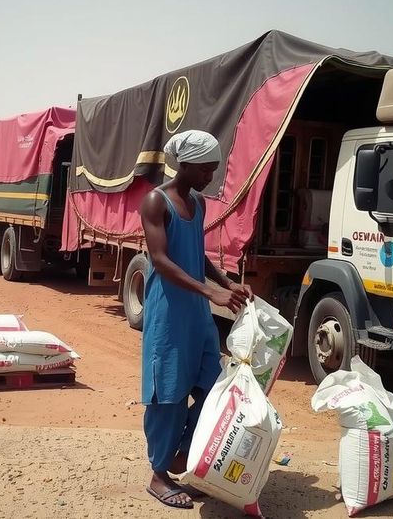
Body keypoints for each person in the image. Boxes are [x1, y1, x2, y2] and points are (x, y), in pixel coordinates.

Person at [139, 130, 252, 509]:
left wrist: (226, 281)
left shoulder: (198, 203)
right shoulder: (156, 202)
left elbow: (196, 255)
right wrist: (211, 292)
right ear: (184, 164)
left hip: (198, 317)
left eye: (214, 169)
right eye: (205, 169)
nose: (210, 177)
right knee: (168, 394)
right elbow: (161, 260)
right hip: (169, 315)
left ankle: (182, 456)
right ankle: (158, 473)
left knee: (212, 389)